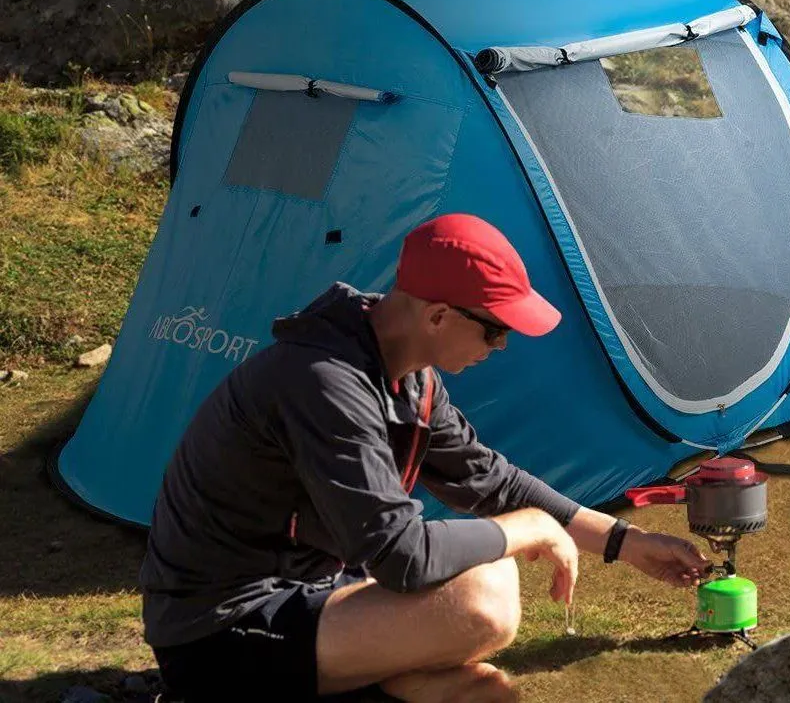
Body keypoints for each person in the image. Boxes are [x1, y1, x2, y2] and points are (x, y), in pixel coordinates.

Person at [140, 213, 709, 703]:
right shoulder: (323, 384)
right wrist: (525, 530)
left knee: (485, 691)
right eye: (494, 332)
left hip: (317, 595)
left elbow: (491, 480)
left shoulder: (410, 379)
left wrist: (627, 543)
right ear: (439, 316)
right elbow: (401, 557)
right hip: (218, 631)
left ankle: (362, 685)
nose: (502, 347)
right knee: (484, 601)